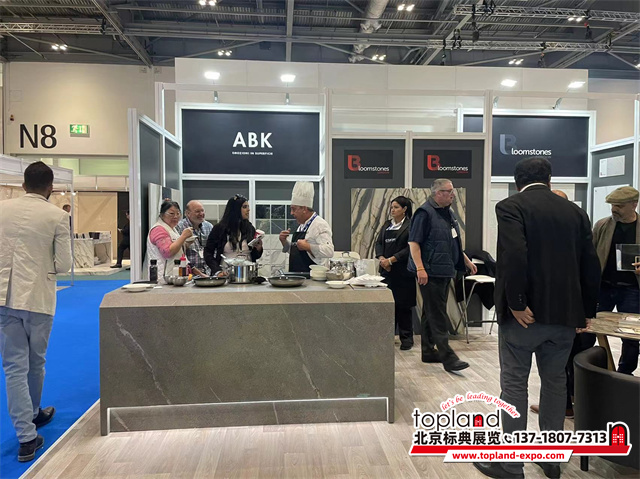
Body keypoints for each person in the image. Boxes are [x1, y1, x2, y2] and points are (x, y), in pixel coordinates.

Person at [473, 158, 600, 479]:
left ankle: (511, 465)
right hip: (565, 317)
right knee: (555, 383)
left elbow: (514, 255)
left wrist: (516, 302)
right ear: (549, 178)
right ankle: (551, 459)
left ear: (517, 181)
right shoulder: (575, 212)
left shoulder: (511, 206)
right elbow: (590, 263)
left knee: (514, 385)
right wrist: (587, 311)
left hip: (524, 317)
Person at [0, 161, 72, 462]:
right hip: (38, 297)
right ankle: (32, 415)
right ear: (51, 187)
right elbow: (64, 265)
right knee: (36, 361)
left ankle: (26, 436)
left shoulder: (2, 209)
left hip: (3, 296)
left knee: (14, 367)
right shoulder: (58, 216)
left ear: (23, 184)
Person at [408, 179, 477, 372]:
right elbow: (414, 243)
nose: (453, 194)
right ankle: (448, 358)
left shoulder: (448, 214)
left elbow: (453, 242)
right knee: (437, 314)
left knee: (430, 311)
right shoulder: (424, 213)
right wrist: (420, 269)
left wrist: (466, 261)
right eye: (449, 191)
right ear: (438, 193)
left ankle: (428, 351)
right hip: (430, 272)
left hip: (445, 270)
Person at [592, 185, 639, 374]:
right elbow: (590, 255)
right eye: (612, 205)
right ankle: (586, 372)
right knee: (588, 328)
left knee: (631, 336)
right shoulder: (602, 226)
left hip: (632, 289)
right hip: (603, 287)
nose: (614, 209)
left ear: (634, 204)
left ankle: (624, 375)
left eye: (619, 206)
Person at [376, 196, 416, 351]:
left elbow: (410, 248)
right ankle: (387, 338)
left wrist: (391, 260)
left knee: (404, 306)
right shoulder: (387, 225)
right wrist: (381, 259)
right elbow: (379, 243)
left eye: (396, 207)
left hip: (403, 271)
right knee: (387, 306)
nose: (392, 210)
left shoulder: (411, 226)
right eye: (392, 207)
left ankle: (406, 339)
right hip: (386, 271)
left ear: (404, 209)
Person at [279, 181, 334, 272]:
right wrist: (284, 241)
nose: (291, 213)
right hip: (298, 274)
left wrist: (308, 247)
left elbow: (329, 251)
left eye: (294, 209)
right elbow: (296, 252)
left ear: (304, 209)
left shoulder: (319, 224)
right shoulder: (302, 226)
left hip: (311, 276)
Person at [204, 195, 263, 274]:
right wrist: (217, 271)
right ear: (236, 209)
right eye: (244, 207)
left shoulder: (250, 228)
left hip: (247, 273)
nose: (248, 210)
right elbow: (208, 252)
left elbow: (254, 255)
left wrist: (258, 249)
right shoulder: (219, 228)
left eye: (248, 207)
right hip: (225, 273)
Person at [145, 200, 193, 282]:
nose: (175, 216)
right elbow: (168, 252)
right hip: (162, 278)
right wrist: (183, 236)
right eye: (171, 214)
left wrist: (185, 243)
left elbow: (175, 246)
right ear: (162, 214)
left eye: (178, 213)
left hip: (173, 275)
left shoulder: (171, 228)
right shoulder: (158, 229)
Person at [176, 201, 213, 277]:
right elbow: (178, 253)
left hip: (208, 273)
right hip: (189, 275)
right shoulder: (179, 227)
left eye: (202, 211)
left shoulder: (209, 226)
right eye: (197, 211)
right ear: (187, 213)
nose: (201, 214)